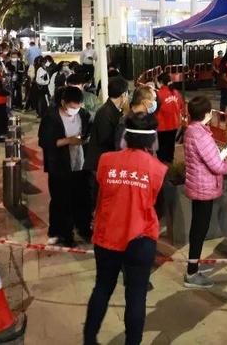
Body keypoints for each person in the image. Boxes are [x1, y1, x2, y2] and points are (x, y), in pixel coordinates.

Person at [83, 113, 166, 345]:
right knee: (136, 295)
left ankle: (89, 339)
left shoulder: (106, 161)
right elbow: (160, 209)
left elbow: (97, 195)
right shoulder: (157, 169)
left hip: (107, 236)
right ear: (152, 140)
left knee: (102, 287)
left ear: (125, 137)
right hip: (141, 240)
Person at [182, 95, 227, 288]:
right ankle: (192, 273)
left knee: (198, 228)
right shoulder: (201, 135)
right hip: (204, 187)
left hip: (198, 184)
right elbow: (216, 165)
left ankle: (193, 266)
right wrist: (226, 165)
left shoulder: (191, 130)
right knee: (199, 230)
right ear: (206, 114)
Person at [38, 86, 92, 247]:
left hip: (80, 164)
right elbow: (45, 142)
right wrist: (69, 141)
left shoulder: (83, 114)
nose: (74, 110)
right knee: (61, 200)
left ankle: (83, 227)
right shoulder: (51, 117)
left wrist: (84, 139)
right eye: (72, 107)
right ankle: (61, 233)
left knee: (82, 197)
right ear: (63, 102)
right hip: (59, 166)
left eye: (78, 107)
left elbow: (88, 133)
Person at [84, 77, 128, 215]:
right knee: (99, 199)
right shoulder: (105, 112)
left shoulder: (113, 110)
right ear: (123, 95)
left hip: (104, 162)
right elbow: (106, 139)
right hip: (99, 163)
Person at [155, 73, 184, 164]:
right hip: (174, 125)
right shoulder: (176, 93)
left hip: (162, 126)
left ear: (160, 82)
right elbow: (180, 106)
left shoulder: (158, 94)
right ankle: (170, 164)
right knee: (170, 146)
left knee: (161, 148)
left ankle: (162, 166)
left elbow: (155, 109)